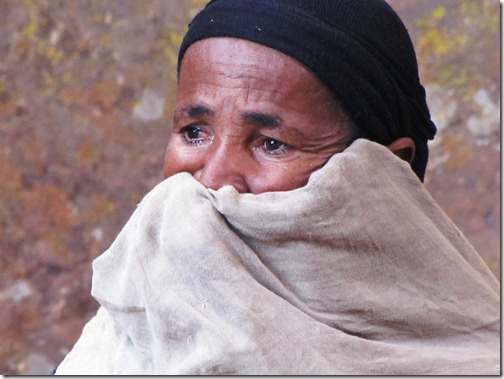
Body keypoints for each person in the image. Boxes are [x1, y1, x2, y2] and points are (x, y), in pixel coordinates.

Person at [54, 0, 499, 375]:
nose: (213, 179)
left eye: (272, 143)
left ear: (389, 169)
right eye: (194, 132)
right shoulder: (113, 349)